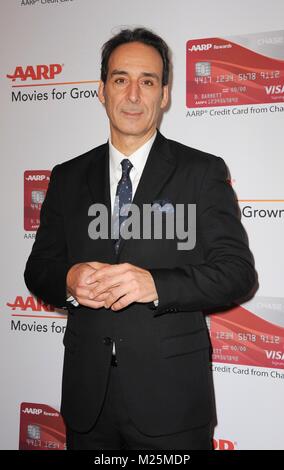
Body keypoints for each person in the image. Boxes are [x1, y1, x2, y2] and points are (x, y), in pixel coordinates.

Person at [24, 27, 257, 450]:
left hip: (172, 402)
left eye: (147, 81)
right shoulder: (67, 177)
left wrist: (156, 285)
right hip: (86, 400)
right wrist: (69, 280)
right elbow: (39, 270)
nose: (133, 94)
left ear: (164, 94)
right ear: (100, 90)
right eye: (120, 79)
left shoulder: (200, 172)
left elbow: (237, 274)